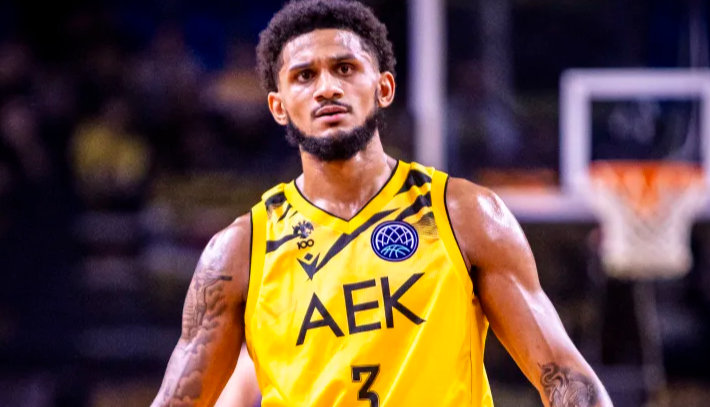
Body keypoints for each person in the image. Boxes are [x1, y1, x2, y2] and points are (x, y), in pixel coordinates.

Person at [150, 1, 613, 406]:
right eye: (304, 76)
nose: (327, 88)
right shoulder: (240, 251)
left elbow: (563, 375)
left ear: (384, 88)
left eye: (345, 68)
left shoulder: (466, 216)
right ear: (278, 106)